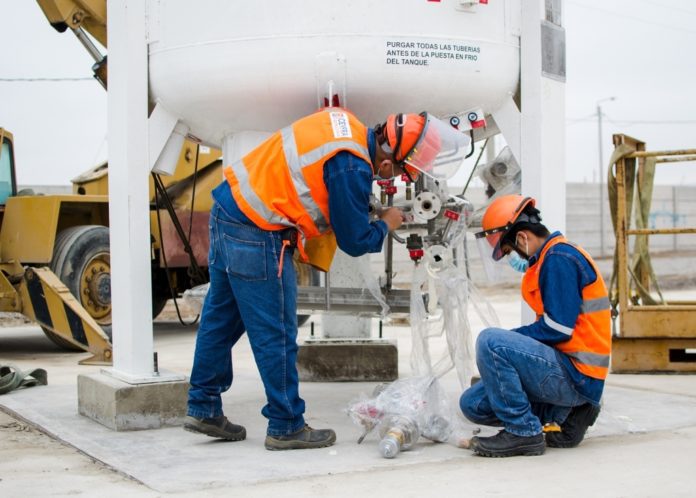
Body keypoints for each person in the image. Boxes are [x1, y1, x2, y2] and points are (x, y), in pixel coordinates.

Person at [184, 109, 469, 450]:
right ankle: (285, 425)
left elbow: (320, 179)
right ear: (390, 165)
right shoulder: (353, 166)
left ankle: (202, 407)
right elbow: (354, 241)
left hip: (229, 210)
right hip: (257, 231)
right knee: (276, 331)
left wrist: (364, 204)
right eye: (403, 173)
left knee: (221, 320)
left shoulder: (345, 123)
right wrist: (387, 222)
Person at [461, 194, 611, 457]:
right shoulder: (548, 260)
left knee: (490, 341)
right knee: (472, 404)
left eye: (508, 252)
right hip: (567, 370)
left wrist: (504, 346)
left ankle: (523, 433)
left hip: (578, 376)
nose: (511, 259)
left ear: (522, 238)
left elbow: (557, 329)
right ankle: (567, 414)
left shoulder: (560, 258)